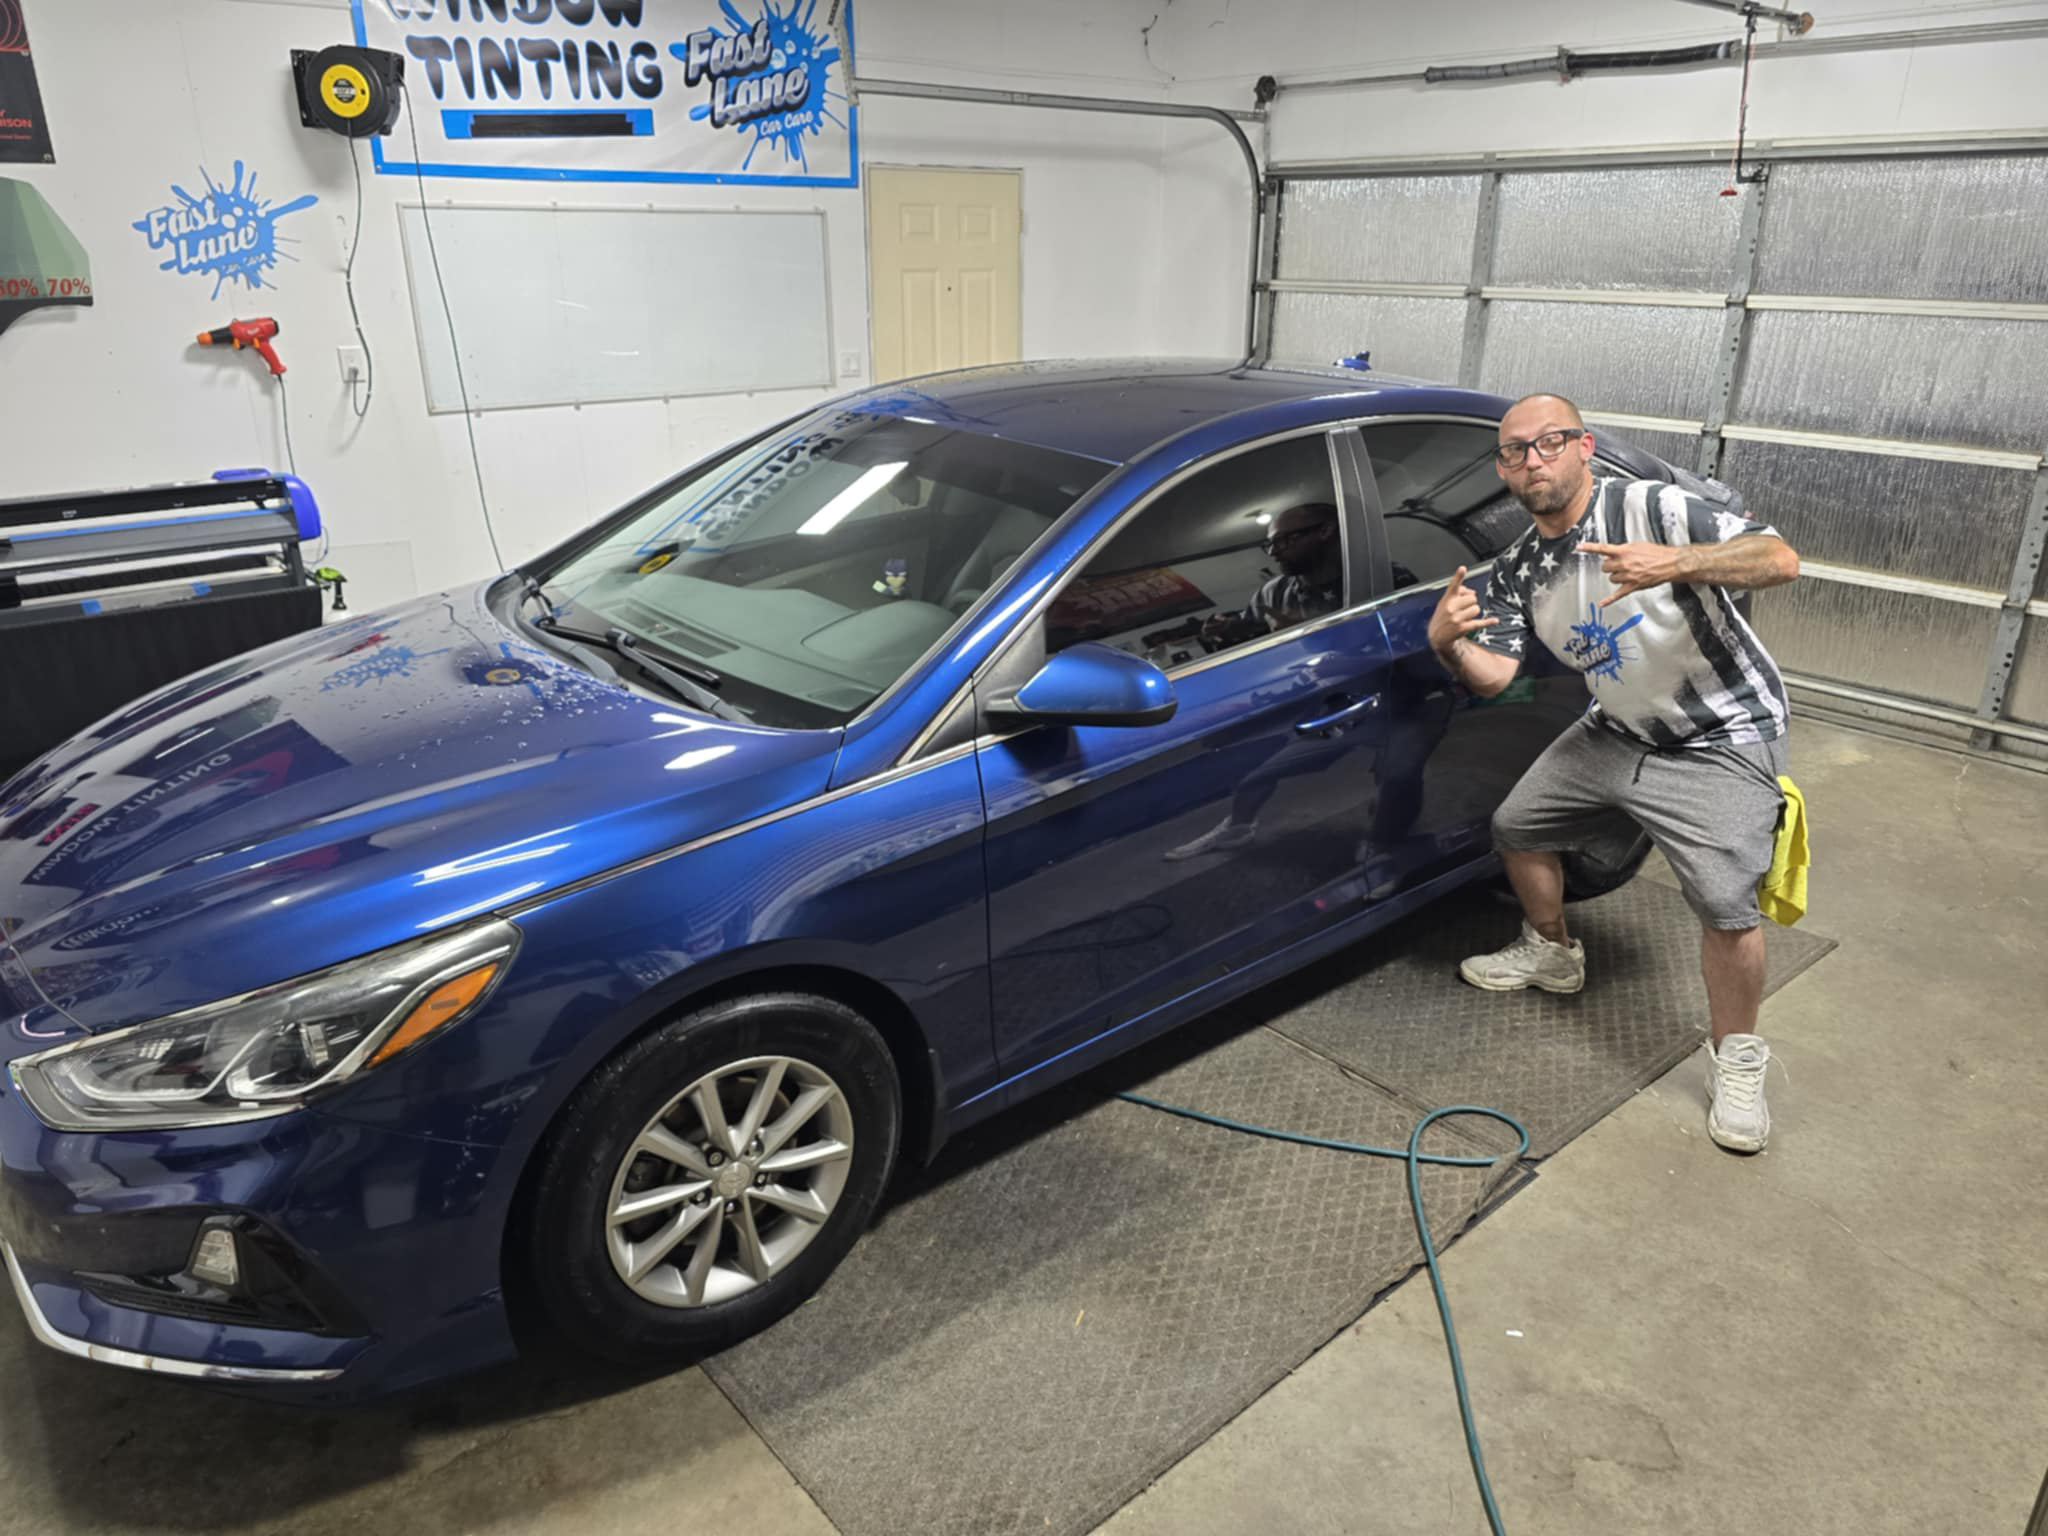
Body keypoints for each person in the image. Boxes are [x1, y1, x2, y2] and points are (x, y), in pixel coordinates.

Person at [1427, 393, 1801, 1153]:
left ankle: (1736, 1060)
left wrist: (1680, 561)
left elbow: (1780, 560)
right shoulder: (1518, 571)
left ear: (1582, 447)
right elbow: (1497, 676)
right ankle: (1554, 951)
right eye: (1514, 452)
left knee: (1727, 903)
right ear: (1503, 470)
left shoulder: (1655, 509)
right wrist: (1446, 644)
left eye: (1549, 442)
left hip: (1720, 733)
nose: (1532, 460)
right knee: (1517, 826)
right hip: (1619, 728)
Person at [1164, 502, 1345, 861]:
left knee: (1403, 772)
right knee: (1252, 772)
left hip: (1387, 697)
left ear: (1324, 532)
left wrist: (1305, 633)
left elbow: (1402, 635)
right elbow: (1251, 627)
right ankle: (1237, 828)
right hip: (1310, 704)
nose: (1276, 552)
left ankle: (1392, 847)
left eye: (1284, 541)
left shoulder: (1376, 573)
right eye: (1271, 546)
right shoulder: (1274, 592)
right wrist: (1224, 628)